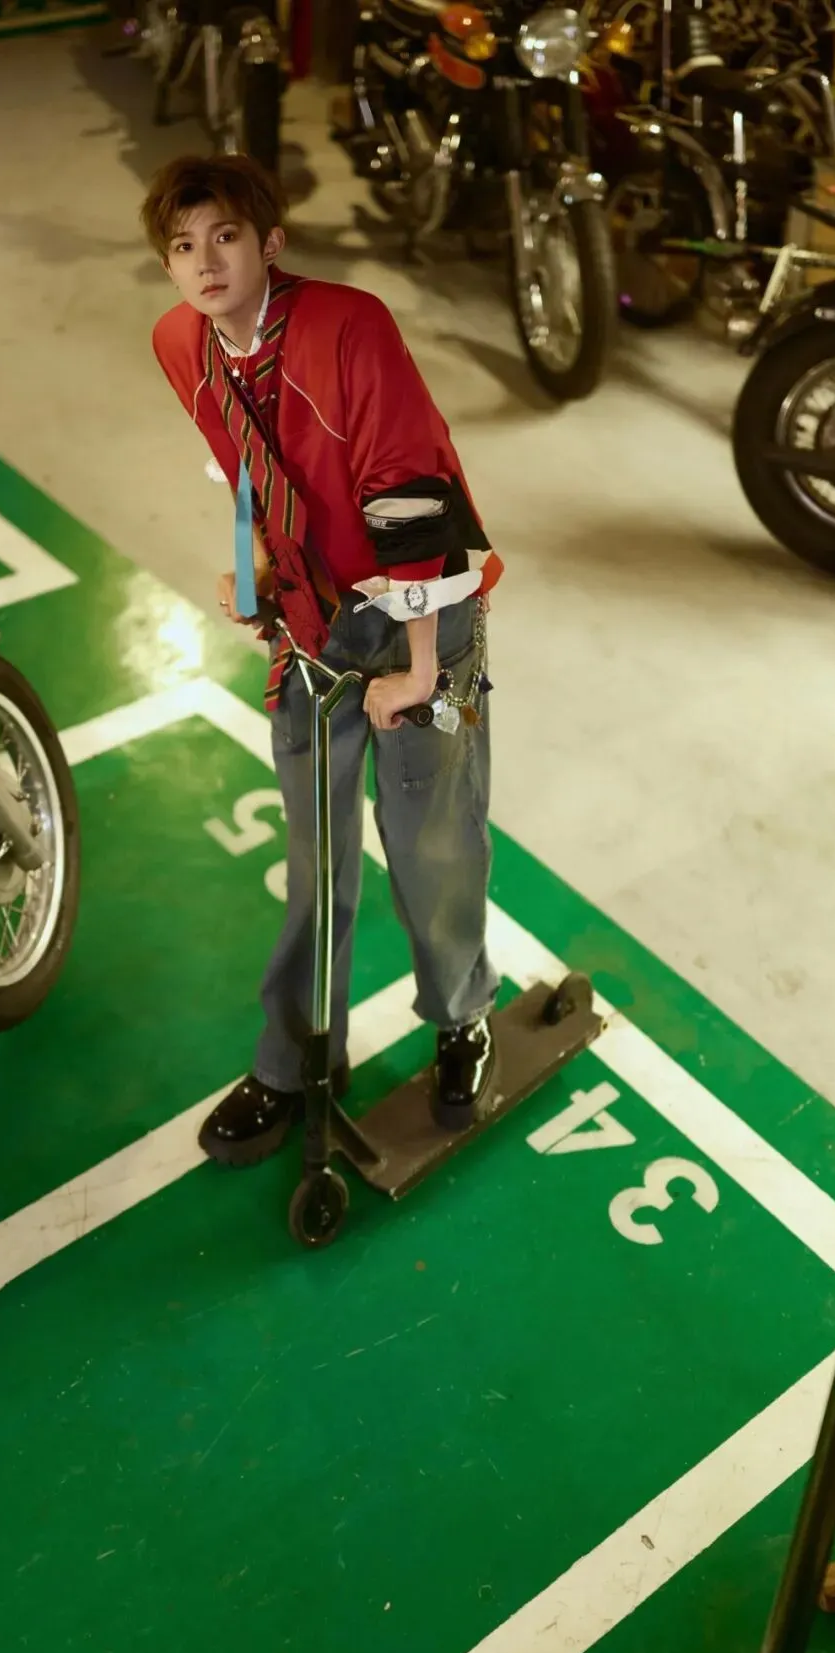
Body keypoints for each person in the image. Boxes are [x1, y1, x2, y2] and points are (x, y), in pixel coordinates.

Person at [141, 153, 504, 1167]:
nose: (206, 262)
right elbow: (242, 467)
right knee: (315, 863)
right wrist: (255, 565)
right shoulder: (180, 343)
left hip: (417, 615)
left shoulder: (350, 327)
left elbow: (410, 495)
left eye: (225, 237)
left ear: (270, 242)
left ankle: (462, 1017)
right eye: (183, 246)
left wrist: (420, 671)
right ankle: (300, 1058)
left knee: (431, 843)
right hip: (311, 624)